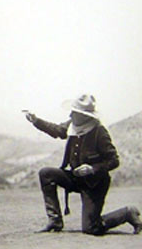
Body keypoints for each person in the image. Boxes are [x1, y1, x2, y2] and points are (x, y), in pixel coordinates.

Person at [24, 94, 142, 235]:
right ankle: (55, 221)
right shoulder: (72, 125)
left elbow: (114, 160)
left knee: (91, 228)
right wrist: (36, 121)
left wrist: (92, 169)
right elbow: (57, 130)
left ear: (85, 115)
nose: (70, 114)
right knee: (46, 173)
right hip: (75, 179)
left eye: (74, 112)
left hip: (94, 184)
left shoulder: (99, 132)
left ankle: (127, 213)